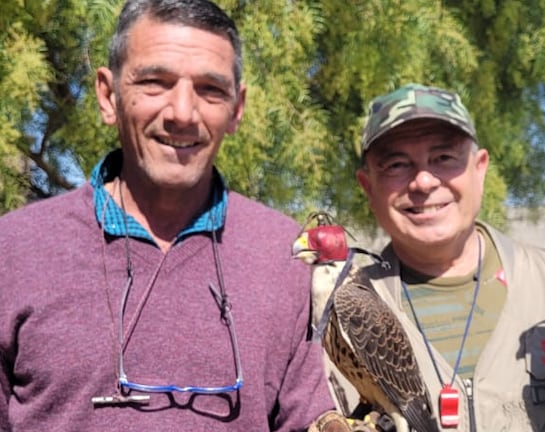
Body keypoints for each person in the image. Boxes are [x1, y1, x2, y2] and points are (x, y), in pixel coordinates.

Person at [0, 0, 341, 430]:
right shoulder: (12, 249)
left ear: (237, 108)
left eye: (210, 90)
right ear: (108, 97)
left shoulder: (287, 258)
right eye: (155, 83)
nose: (182, 113)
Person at [326, 83, 545, 431]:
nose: (423, 181)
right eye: (396, 164)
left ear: (479, 168)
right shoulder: (331, 313)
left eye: (443, 158)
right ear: (368, 186)